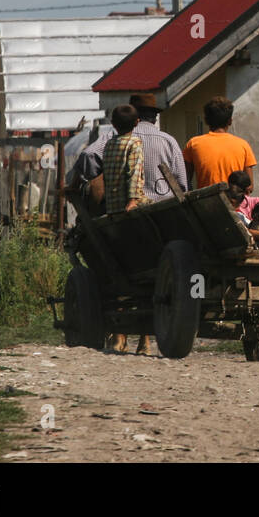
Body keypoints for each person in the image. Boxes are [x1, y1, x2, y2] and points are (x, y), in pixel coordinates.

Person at [101, 104, 151, 355]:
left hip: (113, 212)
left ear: (113, 124)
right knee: (145, 271)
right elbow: (134, 174)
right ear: (137, 123)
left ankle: (120, 335)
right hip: (129, 210)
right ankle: (144, 339)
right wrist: (133, 201)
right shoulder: (134, 144)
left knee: (121, 271)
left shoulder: (109, 145)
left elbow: (109, 177)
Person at [183, 95, 256, 189]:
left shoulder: (193, 144)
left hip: (205, 202)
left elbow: (184, 180)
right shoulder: (243, 145)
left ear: (206, 120)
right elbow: (249, 186)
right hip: (234, 202)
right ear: (230, 121)